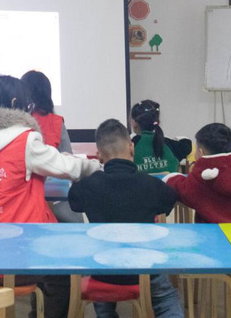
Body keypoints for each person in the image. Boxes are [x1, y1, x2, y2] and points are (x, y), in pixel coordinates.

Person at [0, 74, 101, 318]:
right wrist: (96, 167)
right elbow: (68, 167)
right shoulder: (25, 141)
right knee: (65, 271)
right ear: (16, 103)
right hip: (19, 259)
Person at [68, 118, 182, 318]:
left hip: (102, 269)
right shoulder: (152, 185)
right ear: (131, 147)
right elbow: (169, 201)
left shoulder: (87, 186)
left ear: (99, 155)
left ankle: (106, 313)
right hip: (144, 270)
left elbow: (74, 202)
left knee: (100, 292)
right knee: (167, 297)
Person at [164, 123, 231, 223]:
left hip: (212, 234)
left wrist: (170, 177)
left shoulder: (199, 179)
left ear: (201, 152)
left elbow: (179, 187)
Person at [20, 70, 83, 222]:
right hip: (58, 206)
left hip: (24, 204)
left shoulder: (17, 122)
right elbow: (69, 162)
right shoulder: (56, 122)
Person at [130, 100, 191, 174]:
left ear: (134, 122)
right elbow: (187, 143)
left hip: (140, 182)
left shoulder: (130, 145)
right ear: (157, 121)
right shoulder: (168, 144)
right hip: (167, 182)